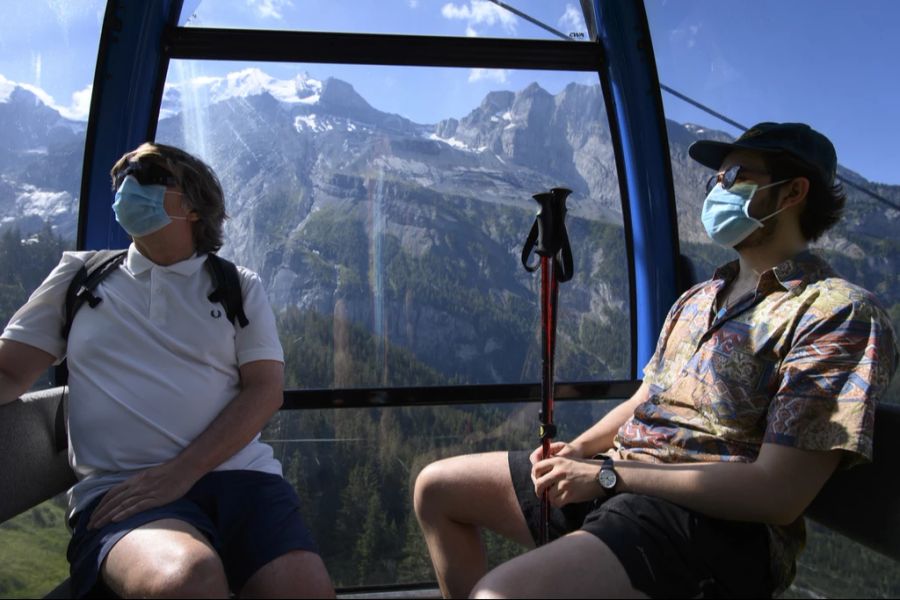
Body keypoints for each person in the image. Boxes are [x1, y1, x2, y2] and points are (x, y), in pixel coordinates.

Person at [413, 122, 898, 598]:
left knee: (500, 594)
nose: (715, 192)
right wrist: (578, 451)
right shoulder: (699, 298)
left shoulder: (837, 313)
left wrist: (604, 476)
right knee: (436, 490)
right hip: (622, 478)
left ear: (792, 193)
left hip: (713, 525)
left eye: (733, 178)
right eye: (715, 181)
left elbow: (778, 494)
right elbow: (649, 396)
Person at [0, 143, 335, 598]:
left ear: (194, 204)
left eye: (151, 174)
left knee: (303, 590)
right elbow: (9, 371)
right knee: (185, 579)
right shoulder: (81, 277)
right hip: (124, 491)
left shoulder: (236, 285)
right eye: (122, 179)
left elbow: (264, 390)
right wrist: (164, 480)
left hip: (242, 480)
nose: (129, 187)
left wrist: (181, 472)